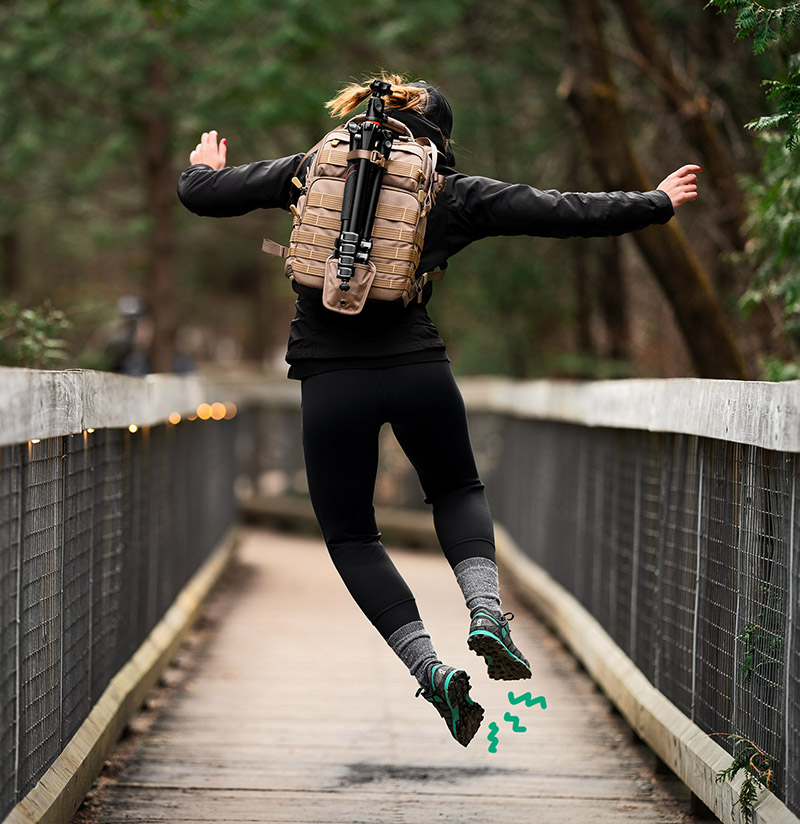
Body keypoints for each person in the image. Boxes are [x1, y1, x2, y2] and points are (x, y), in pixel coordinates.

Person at [177, 74, 700, 748]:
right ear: (438, 140)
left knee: (352, 536)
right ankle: (486, 615)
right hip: (417, 368)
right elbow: (563, 210)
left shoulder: (312, 169)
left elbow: (201, 196)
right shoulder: (453, 192)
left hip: (329, 381)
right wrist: (656, 201)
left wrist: (204, 169)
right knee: (456, 488)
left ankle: (432, 671)